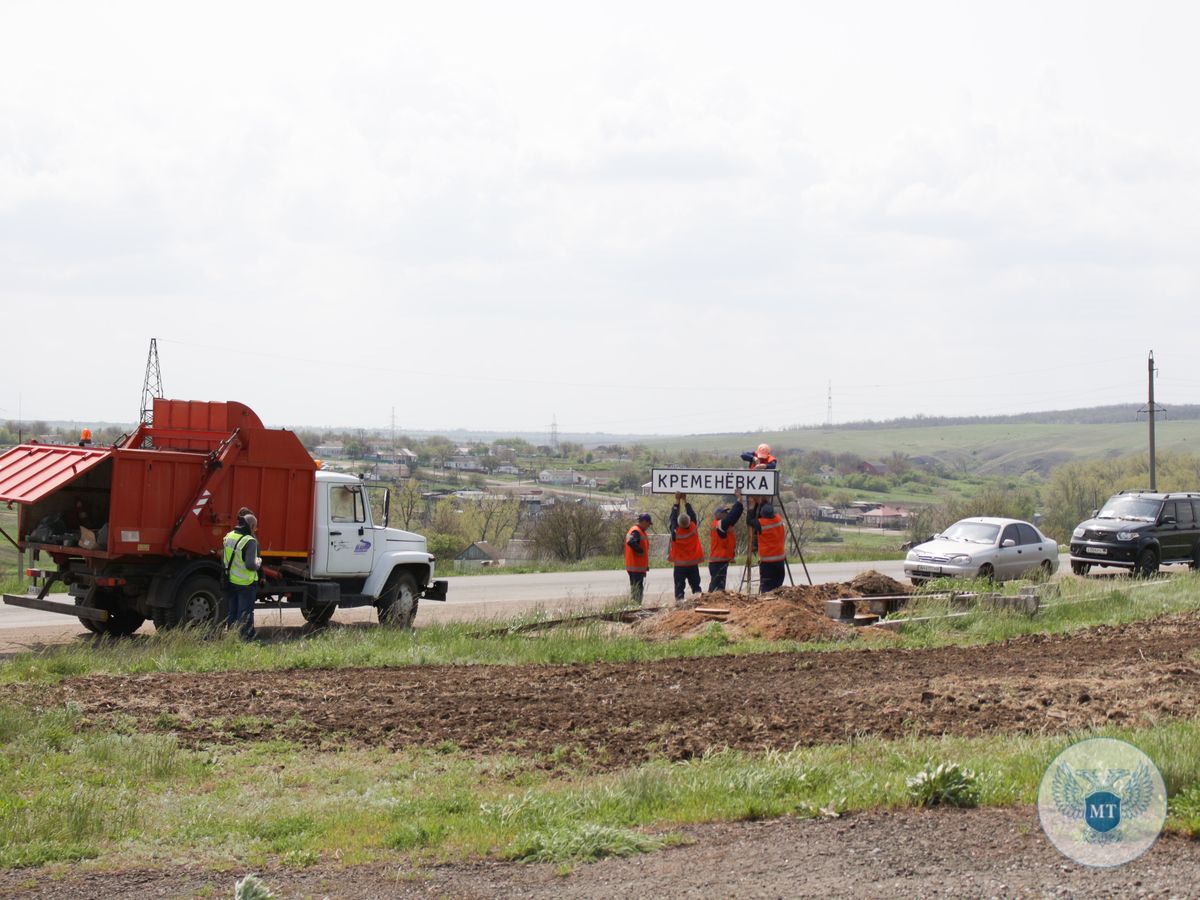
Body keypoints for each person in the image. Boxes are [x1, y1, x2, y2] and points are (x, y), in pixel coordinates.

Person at [223, 512, 262, 639]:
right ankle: (245, 639)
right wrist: (258, 562)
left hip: (231, 580)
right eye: (255, 527)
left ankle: (231, 637)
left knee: (232, 612)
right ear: (251, 526)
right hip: (246, 583)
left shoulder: (229, 536)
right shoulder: (250, 541)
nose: (255, 530)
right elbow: (250, 565)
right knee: (245, 613)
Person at [707, 489, 744, 592]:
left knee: (719, 587)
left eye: (727, 512)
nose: (726, 514)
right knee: (716, 588)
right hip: (717, 562)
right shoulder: (719, 524)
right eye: (724, 512)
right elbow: (733, 515)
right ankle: (708, 604)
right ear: (718, 515)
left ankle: (713, 604)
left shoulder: (723, 525)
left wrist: (740, 502)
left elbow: (734, 517)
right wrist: (739, 500)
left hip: (720, 561)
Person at [669, 493, 703, 601]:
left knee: (679, 588)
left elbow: (673, 518)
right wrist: (685, 500)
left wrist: (677, 501)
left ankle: (680, 606)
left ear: (679, 524)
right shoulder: (693, 527)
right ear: (689, 521)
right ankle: (698, 603)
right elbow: (692, 514)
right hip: (692, 563)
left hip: (680, 565)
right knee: (696, 587)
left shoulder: (675, 531)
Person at [750, 501, 787, 593]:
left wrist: (753, 506)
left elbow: (749, 520)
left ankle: (767, 605)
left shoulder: (760, 523)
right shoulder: (778, 519)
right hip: (780, 561)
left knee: (766, 589)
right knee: (777, 588)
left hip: (767, 563)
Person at [624, 513, 653, 605]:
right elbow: (631, 542)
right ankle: (636, 606)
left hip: (636, 566)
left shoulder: (638, 530)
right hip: (636, 566)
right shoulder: (636, 531)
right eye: (648, 523)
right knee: (637, 589)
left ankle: (635, 605)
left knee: (636, 588)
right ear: (644, 522)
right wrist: (640, 551)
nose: (649, 526)